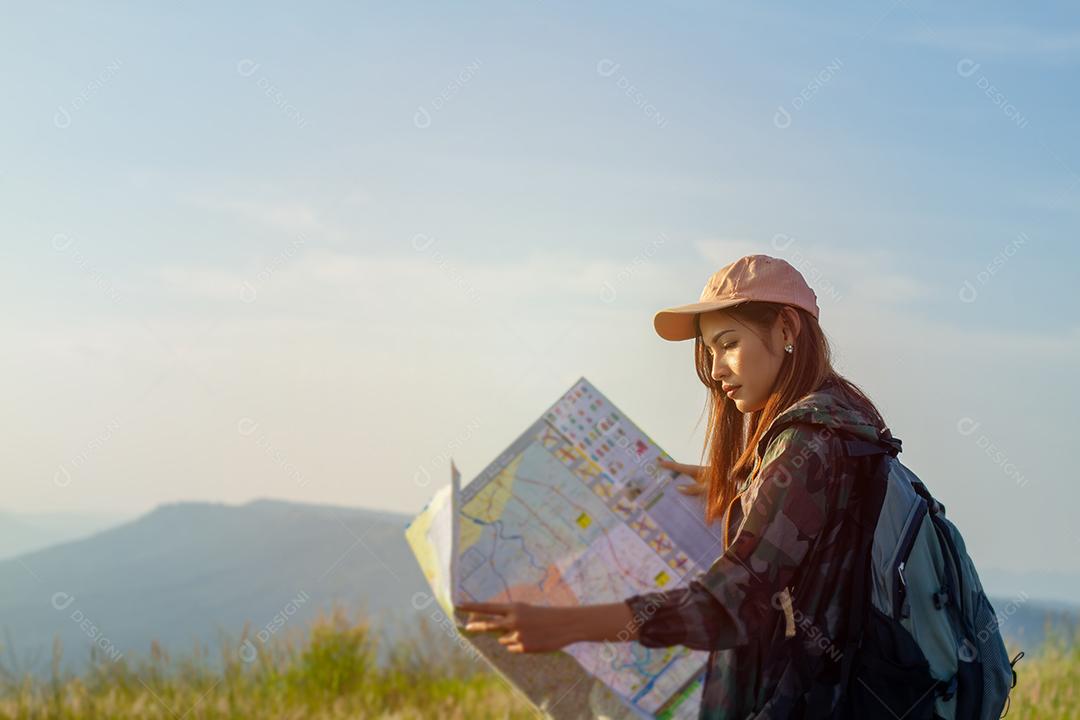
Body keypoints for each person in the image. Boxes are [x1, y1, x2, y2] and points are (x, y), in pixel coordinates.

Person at [457, 254, 891, 718]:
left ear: (787, 329)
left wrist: (566, 625)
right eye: (709, 351)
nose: (716, 369)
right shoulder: (849, 417)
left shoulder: (806, 444)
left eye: (728, 343)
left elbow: (729, 602)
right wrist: (752, 485)